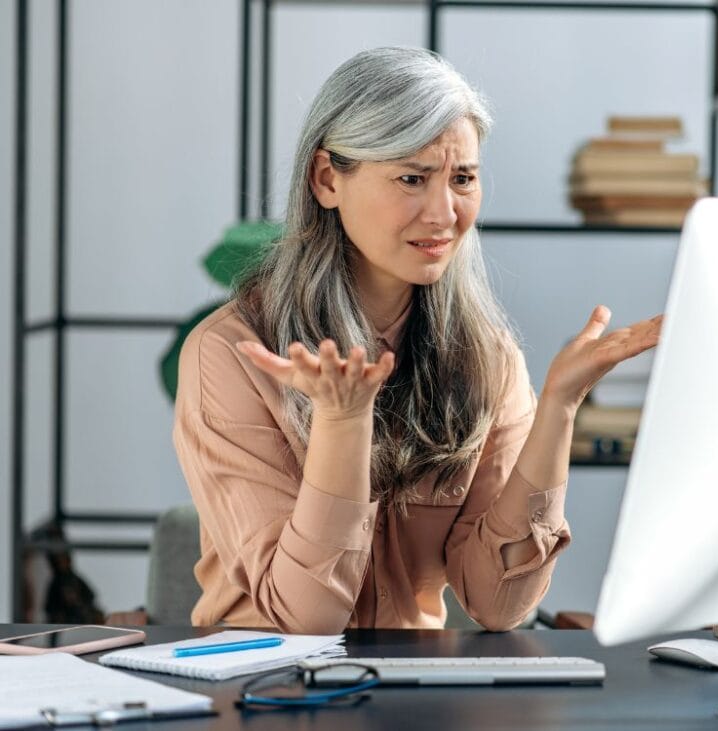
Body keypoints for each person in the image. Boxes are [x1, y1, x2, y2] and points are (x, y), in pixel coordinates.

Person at [173, 47, 661, 633]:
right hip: (263, 689)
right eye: (411, 177)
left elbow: (498, 604)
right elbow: (307, 618)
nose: (444, 213)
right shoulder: (231, 354)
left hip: (416, 690)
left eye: (463, 179)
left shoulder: (487, 358)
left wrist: (559, 405)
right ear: (328, 180)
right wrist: (341, 422)